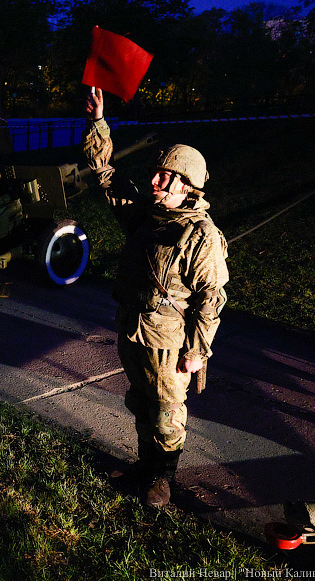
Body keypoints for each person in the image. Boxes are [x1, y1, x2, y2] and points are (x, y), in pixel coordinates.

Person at [82, 87, 229, 508]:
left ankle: (162, 480)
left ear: (188, 187)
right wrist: (98, 122)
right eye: (156, 174)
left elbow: (210, 299)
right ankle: (144, 468)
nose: (154, 181)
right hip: (131, 329)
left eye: (165, 177)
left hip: (169, 341)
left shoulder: (199, 235)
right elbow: (105, 176)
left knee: (167, 412)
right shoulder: (146, 214)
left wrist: (197, 353)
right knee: (141, 403)